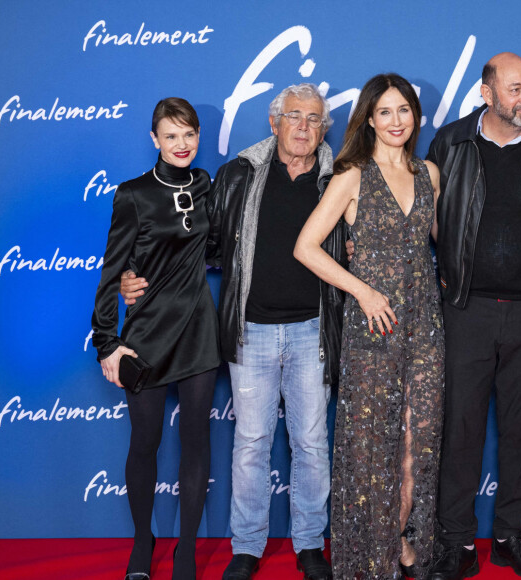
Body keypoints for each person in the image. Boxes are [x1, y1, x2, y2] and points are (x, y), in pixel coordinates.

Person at [121, 83, 347, 580]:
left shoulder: (337, 177)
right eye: (294, 116)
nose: (304, 127)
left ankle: (310, 543)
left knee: (310, 441)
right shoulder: (237, 174)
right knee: (250, 442)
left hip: (313, 329)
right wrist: (129, 274)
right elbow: (202, 244)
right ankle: (246, 546)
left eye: (314, 119)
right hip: (252, 330)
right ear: (274, 123)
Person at [425, 53, 521, 580]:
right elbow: (425, 217)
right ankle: (457, 543)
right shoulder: (451, 143)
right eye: (516, 89)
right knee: (459, 429)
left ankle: (512, 536)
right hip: (465, 311)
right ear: (486, 93)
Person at [295, 73, 444, 580]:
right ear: (370, 119)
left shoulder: (430, 174)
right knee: (370, 450)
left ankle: (403, 542)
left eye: (404, 110)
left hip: (425, 326)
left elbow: (438, 244)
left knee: (415, 445)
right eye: (385, 112)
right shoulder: (353, 175)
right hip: (373, 329)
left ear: (415, 116)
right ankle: (370, 560)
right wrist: (362, 289)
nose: (396, 121)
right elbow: (306, 247)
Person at [92, 97, 220, 580]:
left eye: (189, 134)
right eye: (171, 136)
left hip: (199, 330)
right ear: (154, 140)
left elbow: (215, 247)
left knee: (195, 441)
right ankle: (143, 543)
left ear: (198, 135)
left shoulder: (206, 185)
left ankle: (186, 551)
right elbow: (110, 274)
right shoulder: (133, 194)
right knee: (144, 441)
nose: (181, 144)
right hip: (146, 332)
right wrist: (107, 341)